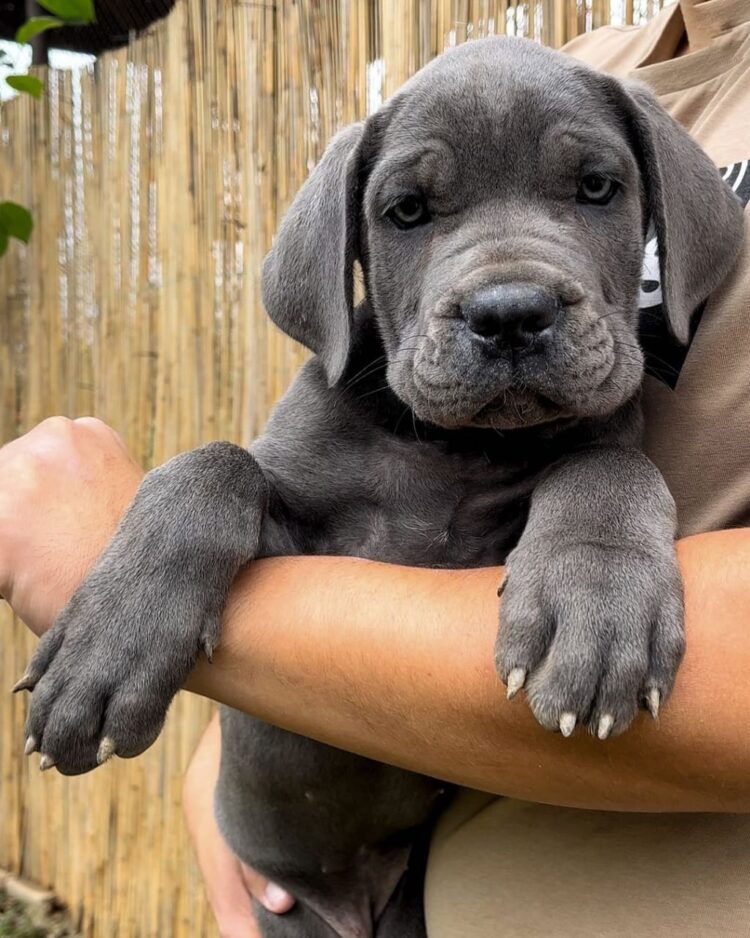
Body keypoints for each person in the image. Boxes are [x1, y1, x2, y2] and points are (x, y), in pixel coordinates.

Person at [1, 0, 748, 935]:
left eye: (592, 191)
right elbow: (270, 528)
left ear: (661, 215)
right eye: (410, 211)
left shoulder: (625, 132)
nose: (508, 289)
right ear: (344, 256)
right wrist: (206, 691)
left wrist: (606, 493)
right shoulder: (595, 64)